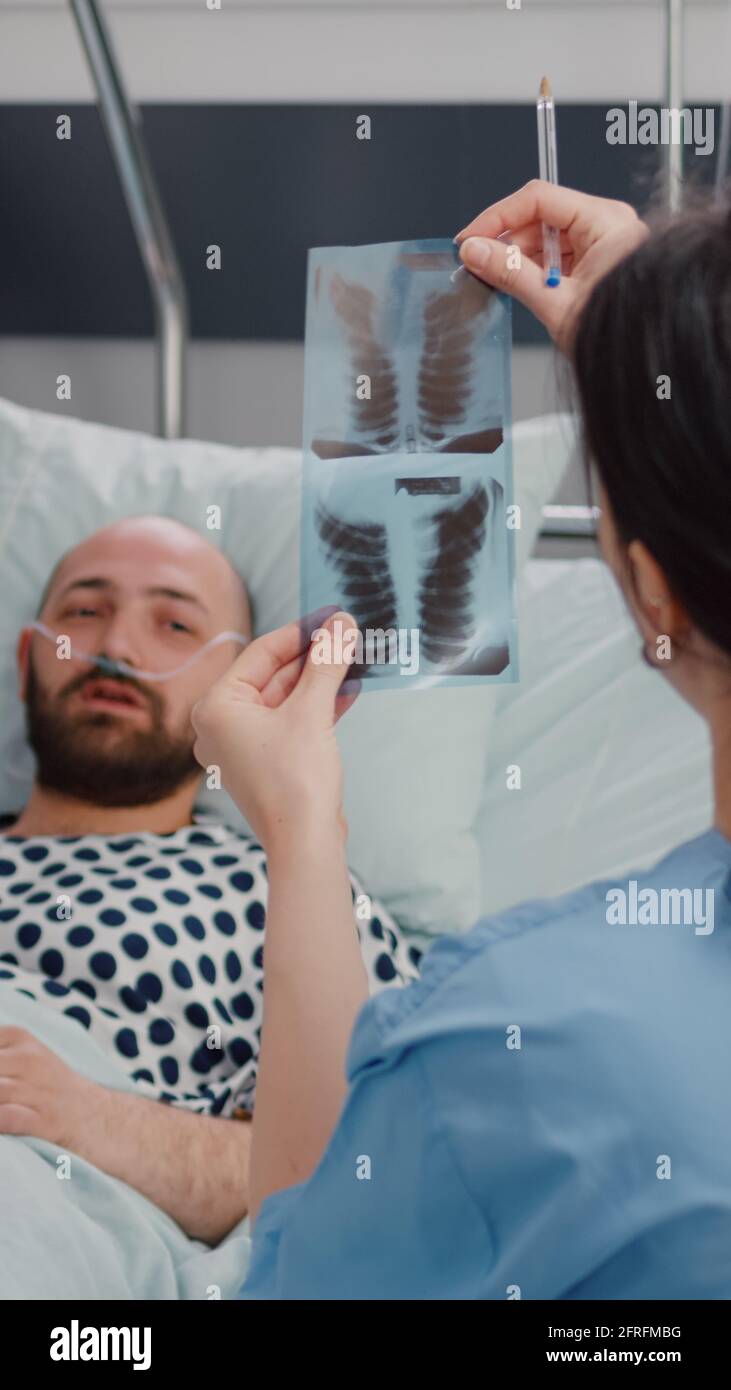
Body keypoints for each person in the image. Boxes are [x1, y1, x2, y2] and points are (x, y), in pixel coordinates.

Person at [190, 181, 731, 1298]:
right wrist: (660, 357)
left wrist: (301, 833)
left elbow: (305, 1273)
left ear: (649, 589)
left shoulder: (520, 1038)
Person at [0, 516, 417, 1245]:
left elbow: (382, 1161)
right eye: (85, 612)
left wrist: (84, 1117)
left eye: (174, 624)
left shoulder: (292, 883)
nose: (117, 648)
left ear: (238, 686)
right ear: (28, 657)